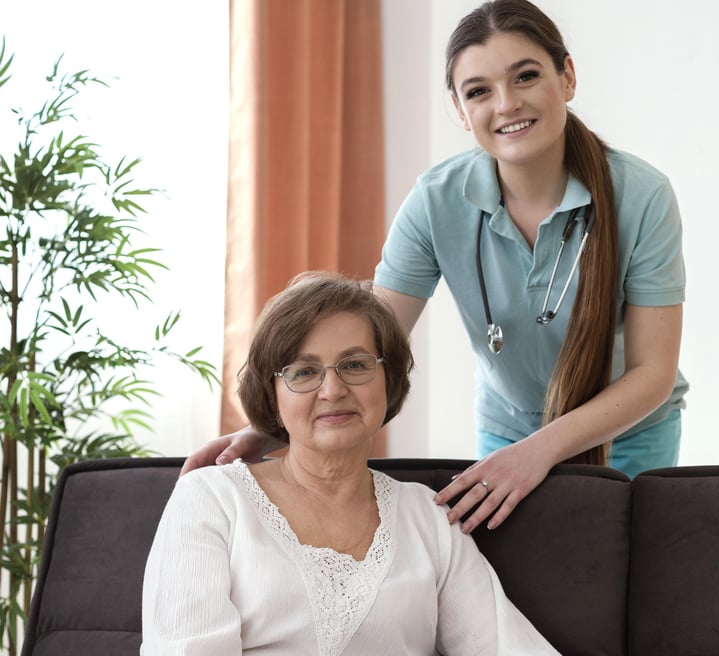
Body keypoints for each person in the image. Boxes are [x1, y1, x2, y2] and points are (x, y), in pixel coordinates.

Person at [181, 0, 687, 535]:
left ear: (567, 77)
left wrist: (538, 452)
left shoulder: (641, 196)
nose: (507, 104)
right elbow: (370, 338)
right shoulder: (436, 200)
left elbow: (652, 374)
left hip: (630, 431)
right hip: (508, 431)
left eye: (526, 76)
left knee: (622, 577)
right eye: (479, 91)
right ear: (459, 109)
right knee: (512, 581)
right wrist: (275, 428)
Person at [141, 272, 560, 655]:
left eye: (355, 365)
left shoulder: (428, 517)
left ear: (389, 380)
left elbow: (507, 647)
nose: (332, 389)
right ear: (272, 394)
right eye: (304, 372)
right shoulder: (212, 499)